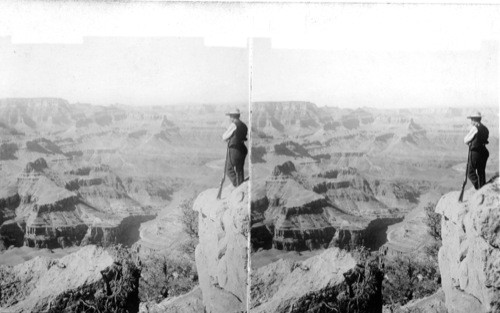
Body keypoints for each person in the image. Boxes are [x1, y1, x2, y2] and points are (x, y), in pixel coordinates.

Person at [222, 108, 248, 187]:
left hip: (235, 150)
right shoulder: (244, 125)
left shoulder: (234, 125)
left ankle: (236, 185)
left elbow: (224, 137)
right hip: (242, 149)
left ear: (233, 116)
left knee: (228, 169)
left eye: (230, 116)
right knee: (239, 169)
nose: (230, 118)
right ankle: (240, 185)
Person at [463, 111, 489, 189]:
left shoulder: (475, 128)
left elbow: (466, 140)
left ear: (474, 120)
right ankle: (482, 187)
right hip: (484, 151)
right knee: (481, 172)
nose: (471, 121)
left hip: (476, 152)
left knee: (470, 172)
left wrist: (471, 142)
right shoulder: (485, 128)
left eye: (471, 119)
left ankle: (478, 188)